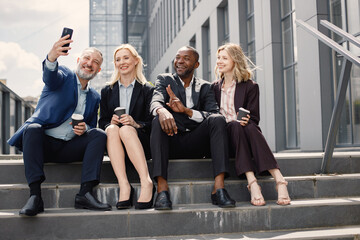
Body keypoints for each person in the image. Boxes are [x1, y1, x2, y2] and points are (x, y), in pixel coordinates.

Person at [7, 34, 111, 216]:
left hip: (71, 147)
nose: (89, 63)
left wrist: (84, 128)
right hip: (44, 145)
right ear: (78, 60)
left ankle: (85, 194)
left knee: (99, 134)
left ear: (99, 69)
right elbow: (50, 74)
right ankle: (35, 197)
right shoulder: (63, 76)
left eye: (95, 62)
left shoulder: (95, 97)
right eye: (86, 58)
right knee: (33, 129)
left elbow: (92, 127)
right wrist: (52, 57)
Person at [150, 46, 235, 210]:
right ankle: (161, 189)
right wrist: (162, 111)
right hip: (171, 139)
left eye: (186, 58)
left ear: (196, 64)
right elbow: (156, 101)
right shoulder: (165, 79)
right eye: (177, 57)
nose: (180, 61)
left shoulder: (205, 86)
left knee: (218, 120)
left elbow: (213, 113)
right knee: (157, 120)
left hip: (197, 143)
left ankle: (219, 188)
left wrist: (186, 111)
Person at [212, 43, 291, 206]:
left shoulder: (250, 86)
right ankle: (254, 182)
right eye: (218, 58)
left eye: (224, 58)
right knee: (234, 125)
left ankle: (278, 179)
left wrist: (247, 119)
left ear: (236, 60)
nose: (219, 61)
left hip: (244, 133)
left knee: (247, 125)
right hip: (225, 138)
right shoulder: (213, 88)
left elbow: (254, 118)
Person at [99, 44, 155, 210]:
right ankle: (124, 185)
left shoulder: (147, 90)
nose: (121, 62)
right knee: (112, 128)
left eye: (126, 58)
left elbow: (153, 123)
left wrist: (135, 123)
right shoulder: (107, 91)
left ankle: (146, 182)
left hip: (140, 142)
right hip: (115, 143)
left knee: (126, 129)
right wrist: (111, 123)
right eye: (118, 59)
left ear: (136, 61)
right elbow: (101, 122)